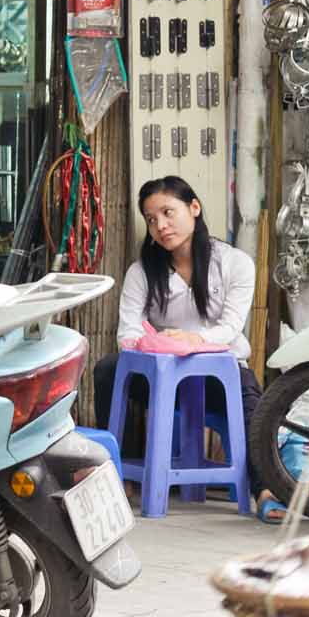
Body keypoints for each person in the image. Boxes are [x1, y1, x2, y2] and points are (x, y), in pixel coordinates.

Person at [91, 176, 260, 450]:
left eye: (168, 212)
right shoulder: (141, 272)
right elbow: (128, 332)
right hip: (161, 378)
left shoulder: (235, 263)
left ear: (194, 208)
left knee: (254, 407)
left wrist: (190, 341)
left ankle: (263, 490)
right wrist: (157, 347)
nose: (161, 226)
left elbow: (231, 327)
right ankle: (117, 469)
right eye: (151, 219)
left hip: (217, 378)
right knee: (108, 370)